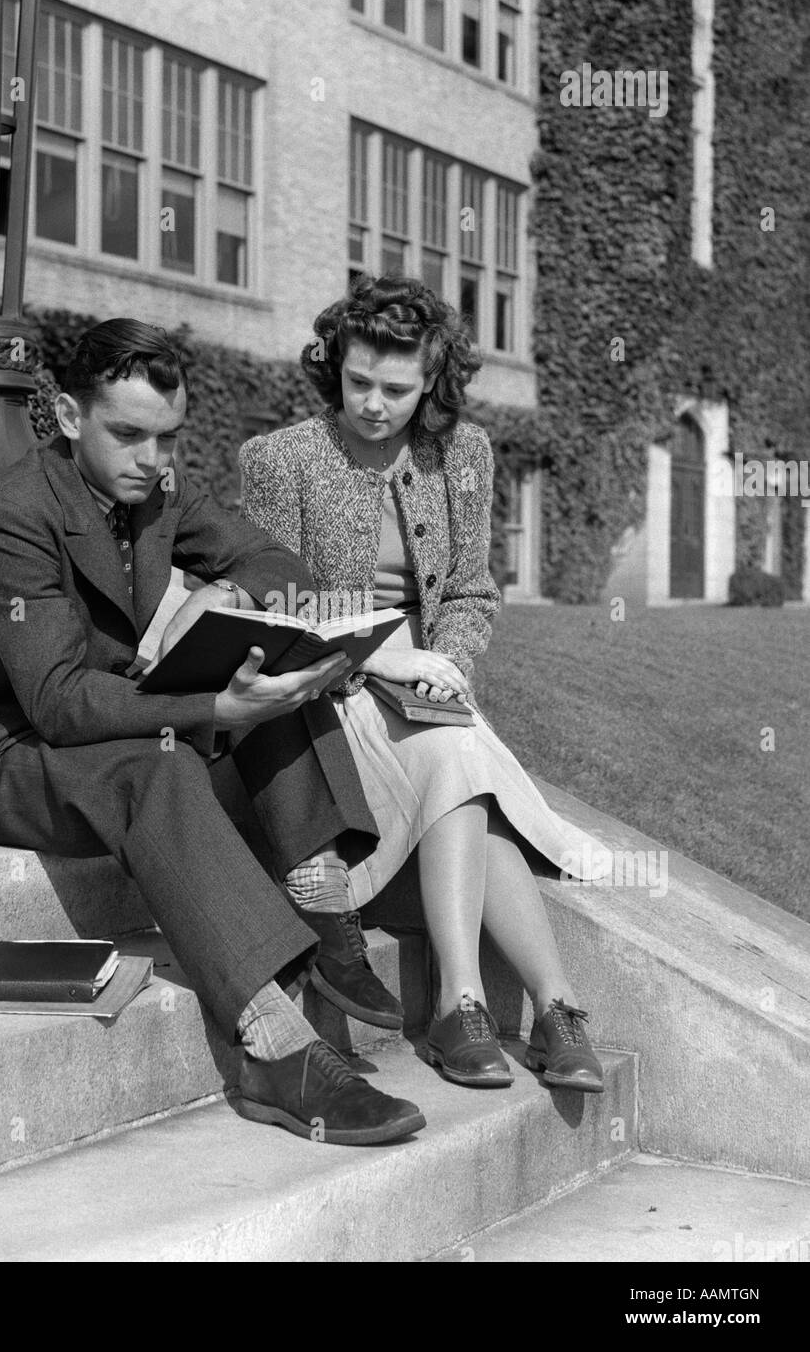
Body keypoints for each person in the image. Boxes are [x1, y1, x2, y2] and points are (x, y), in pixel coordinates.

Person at [0, 317, 427, 1146]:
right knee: (165, 763)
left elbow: (272, 562)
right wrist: (213, 710)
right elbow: (58, 704)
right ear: (69, 418)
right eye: (130, 435)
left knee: (280, 670)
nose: (153, 458)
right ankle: (274, 1047)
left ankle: (322, 903)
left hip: (98, 714)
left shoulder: (158, 490)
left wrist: (244, 606)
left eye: (168, 438)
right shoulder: (13, 517)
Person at [240, 277, 615, 1093]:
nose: (374, 404)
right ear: (334, 367)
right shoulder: (280, 459)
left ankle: (532, 1010)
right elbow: (276, 602)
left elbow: (473, 592)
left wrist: (446, 666)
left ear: (432, 383)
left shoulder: (465, 454)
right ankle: (487, 1001)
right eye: (358, 382)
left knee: (452, 751)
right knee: (460, 769)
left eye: (397, 390)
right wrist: (381, 658)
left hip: (427, 676)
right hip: (330, 683)